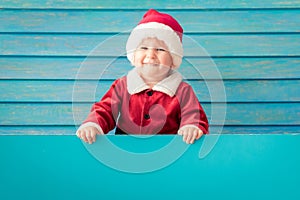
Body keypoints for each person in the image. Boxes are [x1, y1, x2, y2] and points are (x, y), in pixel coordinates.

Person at [76, 9, 209, 144]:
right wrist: (93, 124)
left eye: (160, 49)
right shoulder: (122, 86)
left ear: (173, 59)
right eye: (144, 48)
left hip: (166, 151)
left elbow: (193, 114)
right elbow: (105, 109)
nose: (150, 55)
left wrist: (192, 127)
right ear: (133, 55)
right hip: (126, 150)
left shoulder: (182, 90)